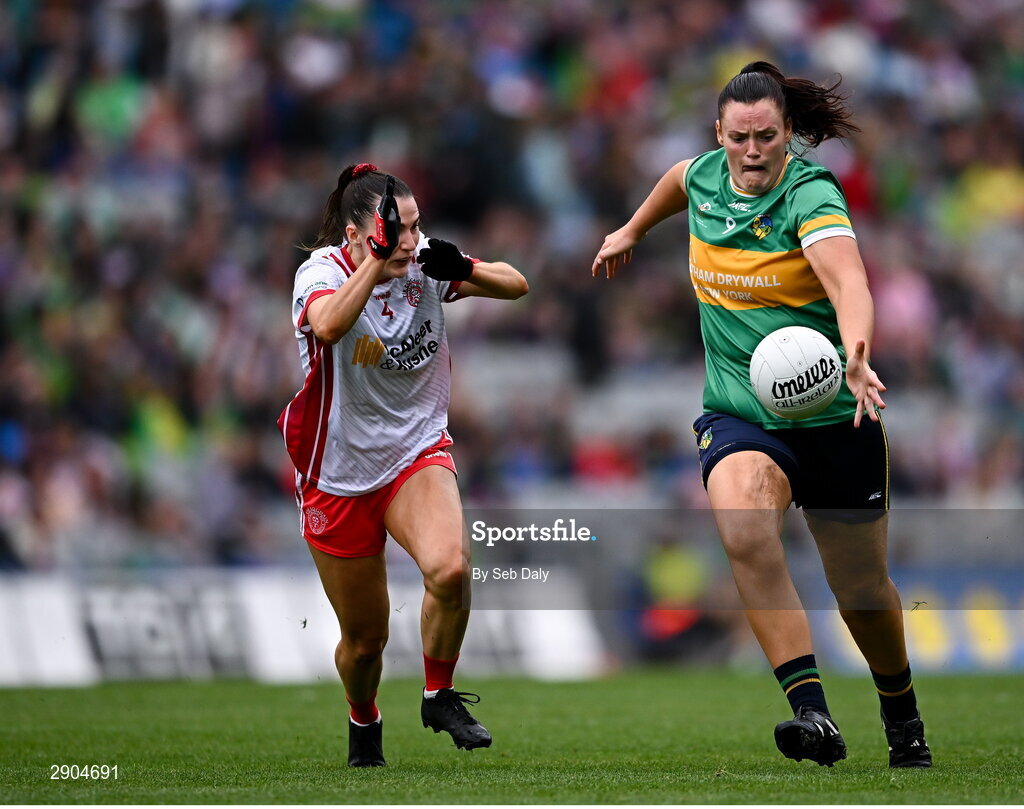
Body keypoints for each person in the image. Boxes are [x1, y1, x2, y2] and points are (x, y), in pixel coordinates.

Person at [592, 62, 931, 769]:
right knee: (743, 523)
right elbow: (675, 184)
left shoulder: (811, 193)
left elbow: (848, 280)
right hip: (742, 414)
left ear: (788, 136)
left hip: (839, 414)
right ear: (720, 132)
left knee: (862, 591)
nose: (752, 151)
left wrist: (859, 350)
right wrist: (630, 229)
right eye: (740, 136)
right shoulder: (701, 176)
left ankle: (902, 717)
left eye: (767, 137)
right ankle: (812, 712)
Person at [278, 163, 528, 767]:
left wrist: (463, 268)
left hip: (416, 452)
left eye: (416, 228)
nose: (410, 242)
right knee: (365, 644)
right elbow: (331, 325)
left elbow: (517, 285)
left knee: (450, 566)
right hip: (336, 472)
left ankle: (438, 693)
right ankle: (364, 719)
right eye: (396, 231)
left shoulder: (422, 264)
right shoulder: (321, 273)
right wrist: (376, 263)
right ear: (358, 236)